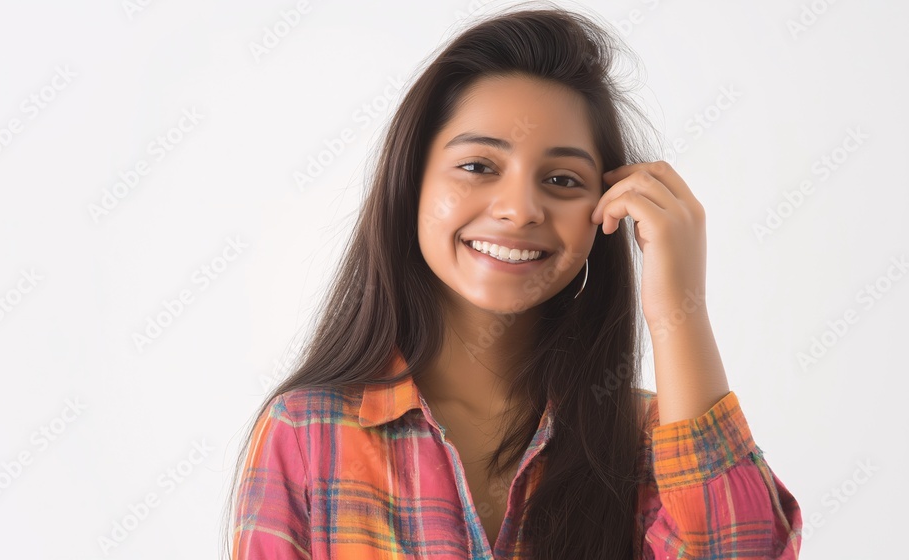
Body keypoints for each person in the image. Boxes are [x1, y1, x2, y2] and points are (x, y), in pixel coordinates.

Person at [223, 4, 803, 559]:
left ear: (605, 212)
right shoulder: (306, 434)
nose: (520, 209)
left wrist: (680, 307)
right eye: (478, 166)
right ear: (412, 185)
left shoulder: (650, 439)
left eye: (561, 179)